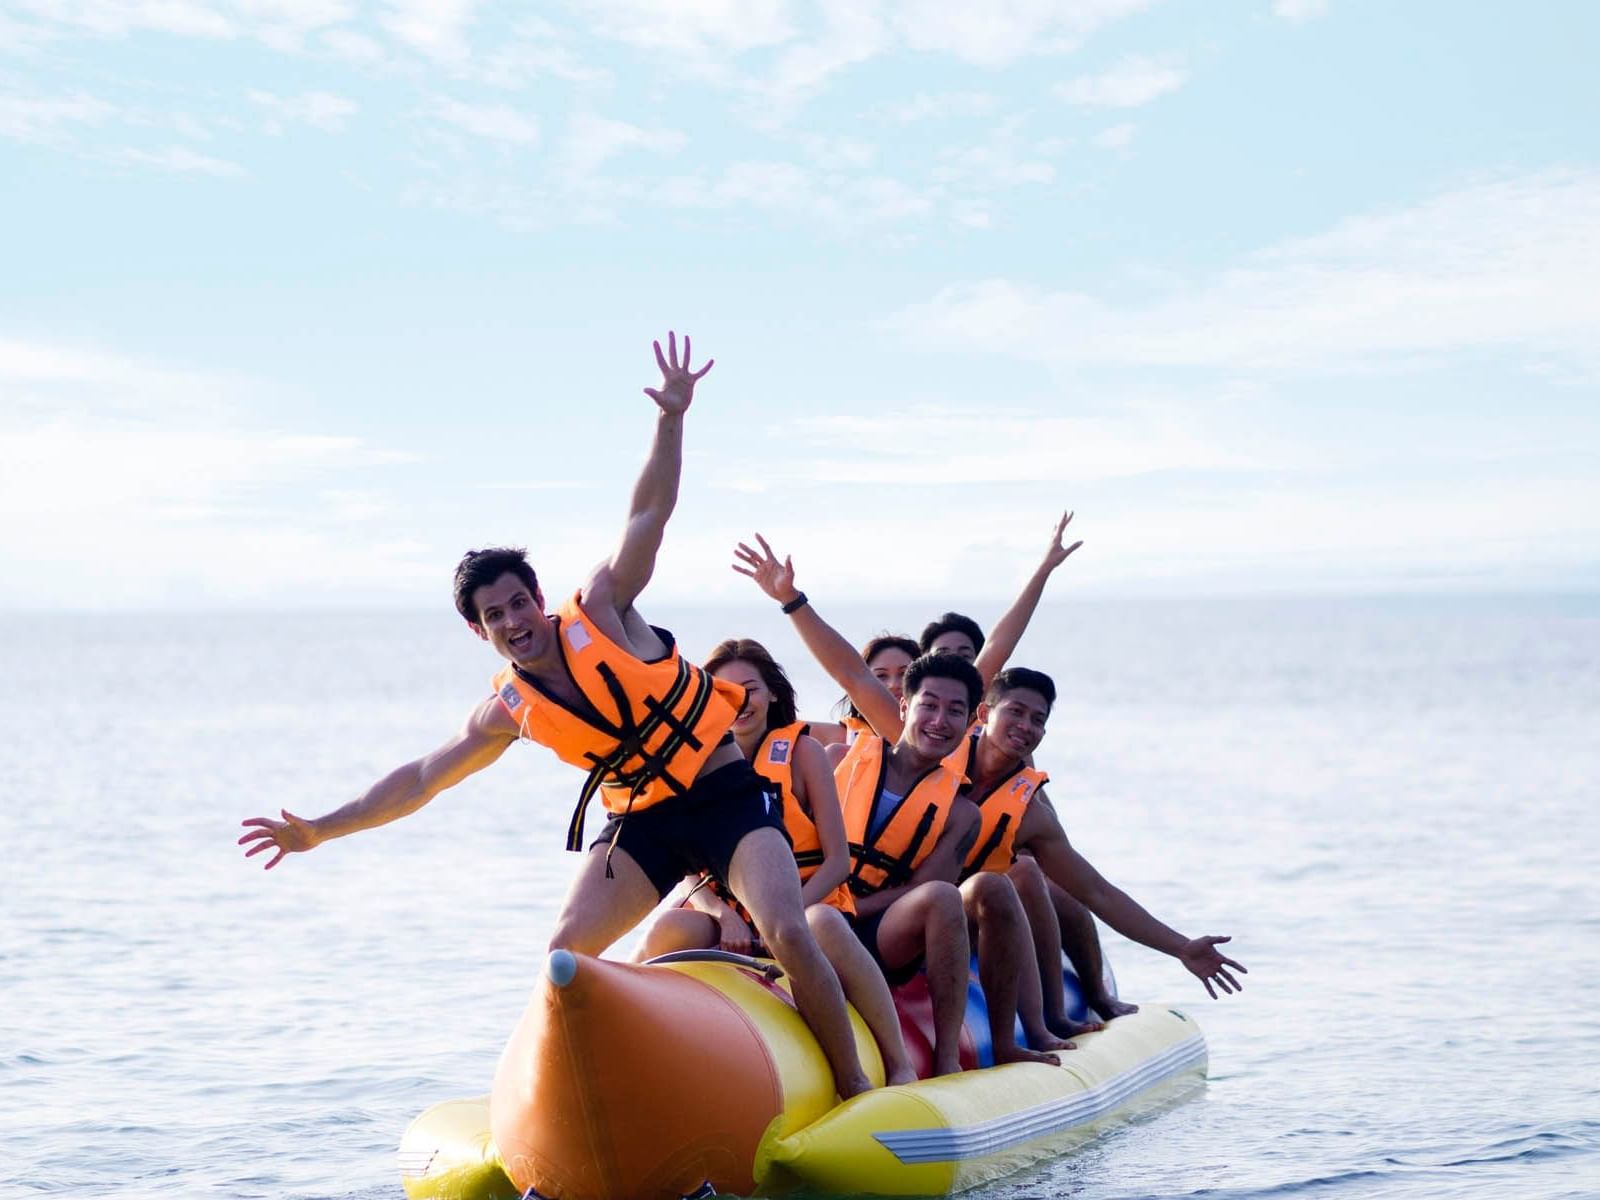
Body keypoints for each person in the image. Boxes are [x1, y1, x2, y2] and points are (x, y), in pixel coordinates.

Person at [238, 333, 872, 1100]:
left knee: (787, 929)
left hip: (724, 795)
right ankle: (580, 1106)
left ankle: (851, 1091)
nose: (514, 621)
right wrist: (317, 831)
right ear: (478, 632)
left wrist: (671, 418)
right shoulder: (506, 710)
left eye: (519, 602)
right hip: (643, 822)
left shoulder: (603, 609)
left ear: (539, 599)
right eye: (494, 615)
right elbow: (419, 781)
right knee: (566, 954)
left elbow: (650, 513)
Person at [734, 541, 1071, 1070]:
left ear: (972, 716)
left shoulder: (960, 803)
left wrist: (1042, 571)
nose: (940, 719)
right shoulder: (855, 751)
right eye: (928, 705)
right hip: (817, 902)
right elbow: (850, 673)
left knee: (955, 892)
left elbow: (997, 651)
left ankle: (947, 1059)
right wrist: (791, 599)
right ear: (904, 706)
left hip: (879, 926)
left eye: (955, 710)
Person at [635, 638, 918, 1085]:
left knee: (821, 924)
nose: (741, 702)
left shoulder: (804, 754)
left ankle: (896, 1063)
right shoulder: (694, 765)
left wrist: (779, 916)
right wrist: (721, 913)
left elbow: (838, 861)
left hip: (805, 902)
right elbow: (685, 862)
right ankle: (624, 1042)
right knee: (666, 928)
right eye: (726, 691)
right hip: (735, 911)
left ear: (772, 694)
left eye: (751, 688)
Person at [953, 667, 1248, 1007]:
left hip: (954, 924)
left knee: (1000, 885)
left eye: (1037, 719)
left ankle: (1046, 1015)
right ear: (985, 713)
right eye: (1015, 712)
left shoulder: (1031, 817)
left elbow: (1097, 892)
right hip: (894, 905)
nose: (1025, 726)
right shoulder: (937, 759)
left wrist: (1181, 947)